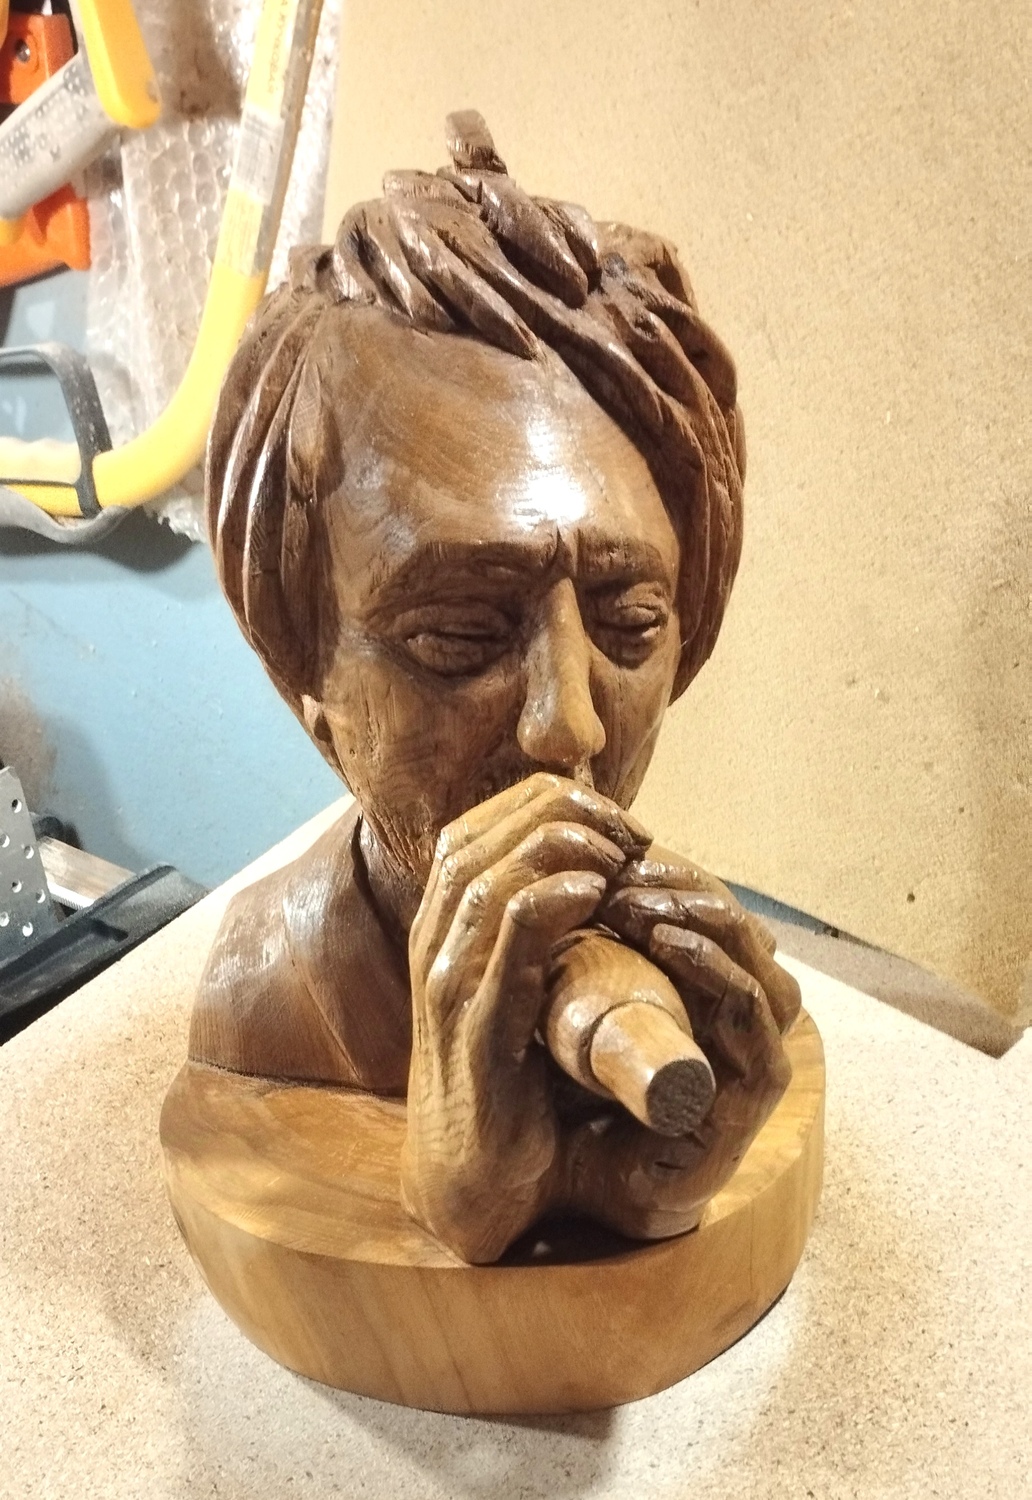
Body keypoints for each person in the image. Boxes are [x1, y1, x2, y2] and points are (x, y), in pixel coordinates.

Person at [191, 113, 800, 1264]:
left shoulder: (682, 996)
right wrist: (455, 1203)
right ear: (308, 682)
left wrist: (634, 1190)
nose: (568, 724)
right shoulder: (267, 995)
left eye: (629, 623)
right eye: (461, 634)